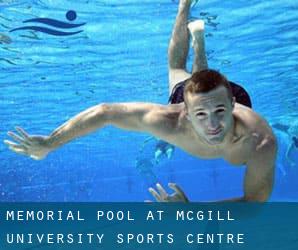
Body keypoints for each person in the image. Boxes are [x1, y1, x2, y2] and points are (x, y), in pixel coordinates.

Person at [4, 0, 277, 202]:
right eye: (201, 115)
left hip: (224, 99)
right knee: (177, 71)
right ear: (184, 110)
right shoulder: (170, 120)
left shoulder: (260, 141)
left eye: (220, 111)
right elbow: (105, 112)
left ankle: (199, 43)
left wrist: (192, 211)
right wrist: (50, 142)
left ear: (232, 105)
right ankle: (185, 6)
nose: (214, 124)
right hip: (202, 96)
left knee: (186, 75)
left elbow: (255, 204)